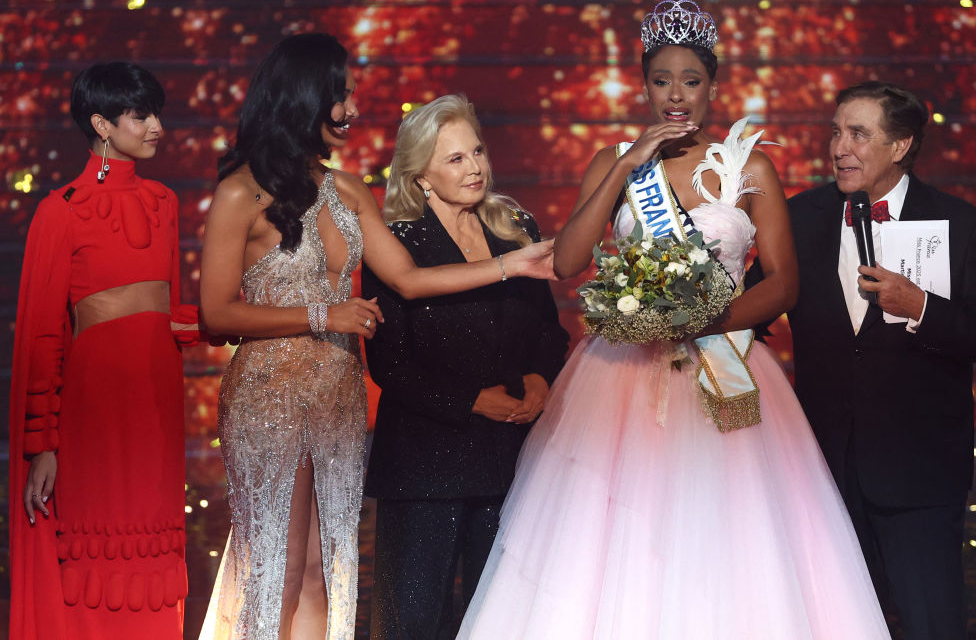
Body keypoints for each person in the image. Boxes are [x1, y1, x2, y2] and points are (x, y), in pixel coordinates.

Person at [457, 0, 892, 639]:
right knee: (617, 530)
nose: (676, 95)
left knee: (727, 534)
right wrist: (627, 167)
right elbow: (571, 260)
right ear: (644, 85)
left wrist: (699, 321)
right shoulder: (615, 161)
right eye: (662, 81)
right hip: (619, 378)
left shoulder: (750, 167)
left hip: (725, 365)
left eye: (690, 80)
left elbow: (784, 283)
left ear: (712, 87)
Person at [197, 34, 554, 640]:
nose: (352, 109)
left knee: (326, 573)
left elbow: (410, 280)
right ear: (305, 98)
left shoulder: (349, 190)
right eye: (341, 95)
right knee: (277, 572)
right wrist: (321, 315)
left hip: (336, 397)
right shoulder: (241, 192)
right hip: (268, 398)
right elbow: (215, 313)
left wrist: (506, 266)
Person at [777, 81, 976, 639]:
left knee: (931, 624)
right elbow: (758, 309)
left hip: (919, 474)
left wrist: (922, 308)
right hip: (820, 473)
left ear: (901, 145)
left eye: (858, 134)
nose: (839, 147)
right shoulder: (798, 217)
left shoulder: (961, 223)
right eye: (835, 131)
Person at [361, 95, 569, 640]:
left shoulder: (515, 224)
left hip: (511, 459)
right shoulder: (396, 243)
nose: (475, 166)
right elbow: (390, 361)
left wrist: (541, 379)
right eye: (455, 158)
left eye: (476, 150)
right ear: (420, 173)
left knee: (502, 621)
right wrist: (471, 399)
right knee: (412, 625)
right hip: (427, 463)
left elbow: (549, 329)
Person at [9, 62, 198, 639]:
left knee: (155, 563)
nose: (158, 127)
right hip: (95, 411)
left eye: (156, 114)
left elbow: (171, 316)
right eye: (142, 116)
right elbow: (43, 335)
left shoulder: (164, 200)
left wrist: (246, 322)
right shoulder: (59, 209)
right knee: (96, 563)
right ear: (102, 123)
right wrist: (42, 447)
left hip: (156, 401)